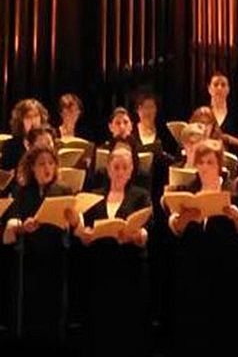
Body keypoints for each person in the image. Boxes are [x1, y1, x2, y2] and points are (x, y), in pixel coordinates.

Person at [167, 139, 238, 357]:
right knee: (195, 325)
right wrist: (185, 217)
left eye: (210, 162)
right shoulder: (188, 191)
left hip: (225, 267)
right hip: (194, 266)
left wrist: (234, 214)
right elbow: (175, 228)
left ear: (219, 165)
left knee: (224, 325)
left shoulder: (234, 191)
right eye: (201, 162)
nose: (205, 167)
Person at [75, 143, 151, 357]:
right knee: (100, 325)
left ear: (131, 171)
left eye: (124, 168)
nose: (119, 172)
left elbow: (145, 231)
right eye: (115, 167)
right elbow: (84, 231)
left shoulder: (140, 195)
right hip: (100, 269)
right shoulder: (94, 196)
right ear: (108, 169)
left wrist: (132, 235)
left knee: (126, 326)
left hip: (128, 269)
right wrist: (85, 234)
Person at [1, 146, 77, 352]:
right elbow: (12, 223)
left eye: (51, 163)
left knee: (53, 311)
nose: (47, 168)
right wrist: (23, 226)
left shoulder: (63, 191)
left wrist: (73, 220)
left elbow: (73, 224)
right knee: (31, 312)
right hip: (31, 261)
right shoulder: (23, 192)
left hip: (55, 258)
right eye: (42, 164)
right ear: (32, 167)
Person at [1, 99, 50, 171]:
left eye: (36, 116)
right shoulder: (10, 146)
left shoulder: (48, 142)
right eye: (28, 117)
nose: (33, 121)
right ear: (21, 121)